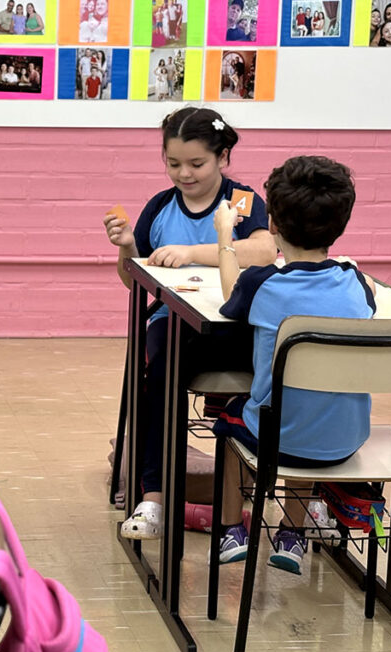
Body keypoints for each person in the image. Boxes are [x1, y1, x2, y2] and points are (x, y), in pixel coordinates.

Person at [102, 107, 276, 540]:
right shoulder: (160, 206)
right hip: (175, 325)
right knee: (161, 371)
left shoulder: (241, 200)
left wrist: (192, 252)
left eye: (197, 163)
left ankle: (257, 486)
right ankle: (154, 499)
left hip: (234, 327)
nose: (184, 173)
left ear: (223, 157)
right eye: (173, 163)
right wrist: (127, 249)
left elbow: (264, 251)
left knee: (278, 365)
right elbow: (134, 280)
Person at [212, 156, 376, 574]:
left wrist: (225, 237)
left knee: (235, 416)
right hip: (345, 441)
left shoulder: (263, 282)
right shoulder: (356, 284)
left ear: (273, 225)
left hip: (278, 441)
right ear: (340, 225)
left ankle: (232, 530)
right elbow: (371, 294)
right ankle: (292, 534)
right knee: (309, 407)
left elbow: (230, 293)